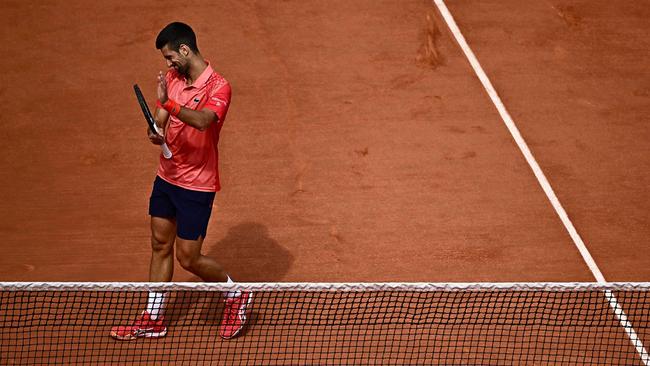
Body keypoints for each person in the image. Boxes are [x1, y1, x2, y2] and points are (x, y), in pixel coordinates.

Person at [110, 22, 252, 341]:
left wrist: (170, 105)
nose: (168, 64)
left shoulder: (219, 87)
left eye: (170, 57)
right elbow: (161, 118)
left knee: (188, 257)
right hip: (167, 177)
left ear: (185, 50)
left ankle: (236, 294)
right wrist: (155, 130)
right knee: (160, 244)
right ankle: (153, 317)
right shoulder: (174, 78)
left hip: (196, 184)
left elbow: (202, 122)